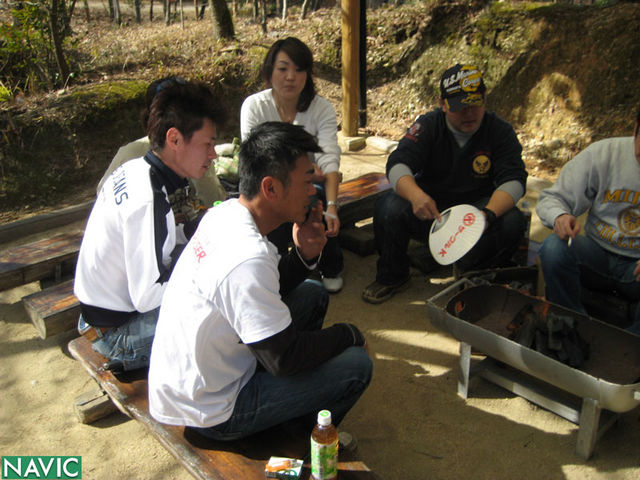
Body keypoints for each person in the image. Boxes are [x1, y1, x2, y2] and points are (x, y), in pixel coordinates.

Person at [148, 122, 372, 441]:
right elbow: (284, 358)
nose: (314, 190)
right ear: (271, 188)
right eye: (308, 180)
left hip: (192, 383)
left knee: (312, 293)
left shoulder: (226, 214)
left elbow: (261, 292)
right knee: (355, 365)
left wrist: (304, 255)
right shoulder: (247, 257)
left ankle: (292, 410)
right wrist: (348, 334)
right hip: (213, 411)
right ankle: (301, 433)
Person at [74, 81, 227, 371]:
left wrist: (196, 230)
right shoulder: (147, 201)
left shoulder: (138, 170)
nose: (214, 155)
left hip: (100, 316)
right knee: (225, 306)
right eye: (207, 144)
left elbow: (163, 238)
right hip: (118, 335)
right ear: (175, 139)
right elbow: (147, 297)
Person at [362, 64, 528, 304]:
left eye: (475, 105)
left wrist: (487, 215)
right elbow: (398, 164)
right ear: (443, 103)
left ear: (485, 99)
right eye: (460, 107)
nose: (469, 113)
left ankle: (473, 274)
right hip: (432, 209)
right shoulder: (429, 126)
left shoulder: (500, 131)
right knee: (389, 206)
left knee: (512, 221)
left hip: (478, 210)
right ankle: (393, 275)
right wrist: (416, 195)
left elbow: (514, 180)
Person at [240, 37, 345, 293]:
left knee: (316, 200)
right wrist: (311, 172)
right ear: (270, 71)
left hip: (306, 185)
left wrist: (332, 207)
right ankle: (275, 270)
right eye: (283, 68)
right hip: (267, 184)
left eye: (299, 70)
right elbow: (257, 159)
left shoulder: (321, 108)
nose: (291, 77)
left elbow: (329, 159)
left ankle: (328, 265)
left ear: (308, 75)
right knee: (269, 205)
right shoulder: (254, 106)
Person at [536, 110, 640, 335]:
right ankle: (571, 325)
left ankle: (629, 347)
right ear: (635, 129)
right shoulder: (605, 154)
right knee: (553, 248)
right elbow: (552, 199)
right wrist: (560, 217)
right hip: (597, 256)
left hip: (636, 271)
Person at [97, 76, 227, 207]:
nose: (213, 154)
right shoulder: (144, 192)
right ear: (174, 139)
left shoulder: (193, 154)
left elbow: (214, 200)